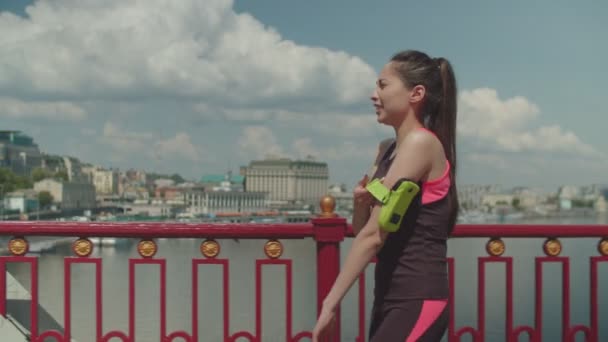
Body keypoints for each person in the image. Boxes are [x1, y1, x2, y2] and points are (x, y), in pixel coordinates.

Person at [312, 50, 459, 342]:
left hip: (419, 298)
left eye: (382, 85)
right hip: (389, 296)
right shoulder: (386, 149)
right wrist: (358, 203)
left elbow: (374, 236)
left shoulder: (421, 143)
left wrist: (330, 303)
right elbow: (362, 229)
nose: (373, 94)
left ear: (416, 93)